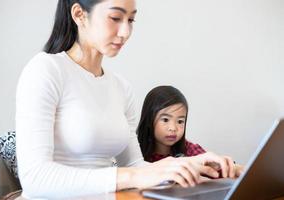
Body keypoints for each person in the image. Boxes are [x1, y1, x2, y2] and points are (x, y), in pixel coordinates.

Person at [16, 0, 238, 199]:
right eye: (115, 18)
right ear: (79, 14)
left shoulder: (120, 87)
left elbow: (134, 165)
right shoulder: (46, 70)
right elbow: (36, 179)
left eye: (131, 20)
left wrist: (189, 165)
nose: (125, 31)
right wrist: (131, 176)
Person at [137, 85, 243, 174]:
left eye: (180, 121)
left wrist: (233, 167)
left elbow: (212, 166)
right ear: (149, 119)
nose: (173, 128)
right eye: (165, 120)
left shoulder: (189, 149)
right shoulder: (136, 153)